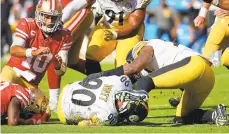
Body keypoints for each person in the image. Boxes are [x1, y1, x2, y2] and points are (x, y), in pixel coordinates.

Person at [82, 39, 228, 126]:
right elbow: (129, 78)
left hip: (194, 65)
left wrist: (101, 74)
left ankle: (127, 114)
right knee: (182, 118)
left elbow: (135, 67)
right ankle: (216, 115)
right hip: (205, 79)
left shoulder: (145, 47)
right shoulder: (151, 66)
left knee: (144, 84)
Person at [61, 0, 151, 75]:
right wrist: (60, 21)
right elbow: (75, 5)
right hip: (107, 26)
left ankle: (126, 89)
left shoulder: (138, 2)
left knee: (125, 66)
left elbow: (133, 28)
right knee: (92, 55)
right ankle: (98, 83)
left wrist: (116, 34)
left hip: (128, 31)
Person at [0, 0, 72, 89]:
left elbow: (62, 71)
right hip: (13, 73)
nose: (49, 21)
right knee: (3, 90)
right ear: (39, 14)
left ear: (59, 18)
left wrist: (57, 66)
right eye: (47, 16)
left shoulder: (64, 36)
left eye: (53, 17)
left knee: (44, 103)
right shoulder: (28, 24)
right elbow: (14, 50)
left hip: (32, 84)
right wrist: (33, 52)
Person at [47, 0, 94, 112]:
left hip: (77, 11)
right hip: (61, 12)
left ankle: (54, 102)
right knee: (72, 62)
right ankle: (106, 78)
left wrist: (60, 20)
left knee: (56, 49)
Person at [57, 75, 149, 126]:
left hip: (68, 87)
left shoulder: (121, 82)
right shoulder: (108, 116)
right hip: (63, 113)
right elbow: (83, 124)